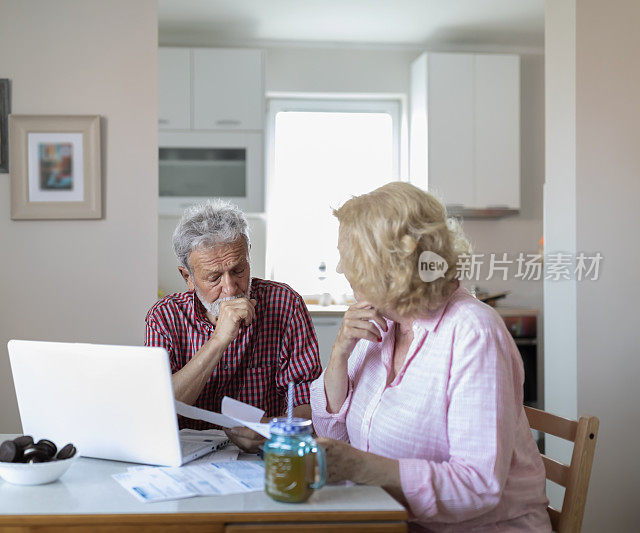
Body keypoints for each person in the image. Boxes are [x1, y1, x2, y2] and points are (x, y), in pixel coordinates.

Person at [311, 182, 551, 532]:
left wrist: (360, 467)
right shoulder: (381, 320)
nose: (340, 269)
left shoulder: (473, 333)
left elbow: (477, 486)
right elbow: (333, 433)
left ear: (386, 270)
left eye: (349, 258)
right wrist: (338, 353)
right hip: (390, 519)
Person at [146, 200, 322, 451]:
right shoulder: (164, 317)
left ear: (248, 256)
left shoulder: (285, 304)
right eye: (214, 277)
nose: (230, 289)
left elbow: (306, 399)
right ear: (188, 277)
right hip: (185, 456)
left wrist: (272, 429)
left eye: (238, 269)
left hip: (265, 451)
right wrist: (219, 340)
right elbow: (157, 408)